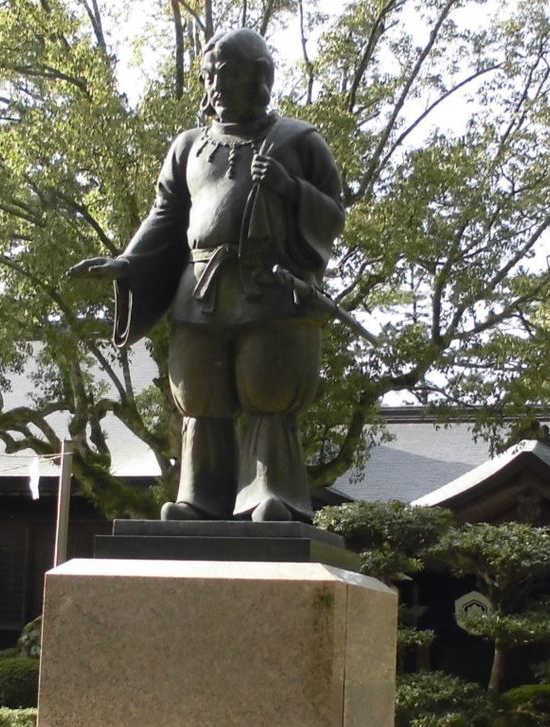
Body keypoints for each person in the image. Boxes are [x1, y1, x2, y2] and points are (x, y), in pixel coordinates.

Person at [69, 28, 345, 522]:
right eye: (209, 76)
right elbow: (165, 216)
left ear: (259, 76)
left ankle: (272, 492)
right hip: (199, 289)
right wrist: (128, 263)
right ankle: (201, 497)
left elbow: (333, 214)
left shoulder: (299, 141)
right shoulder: (188, 146)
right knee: (200, 395)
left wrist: (290, 189)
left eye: (228, 74)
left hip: (268, 289)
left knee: (269, 389)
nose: (216, 85)